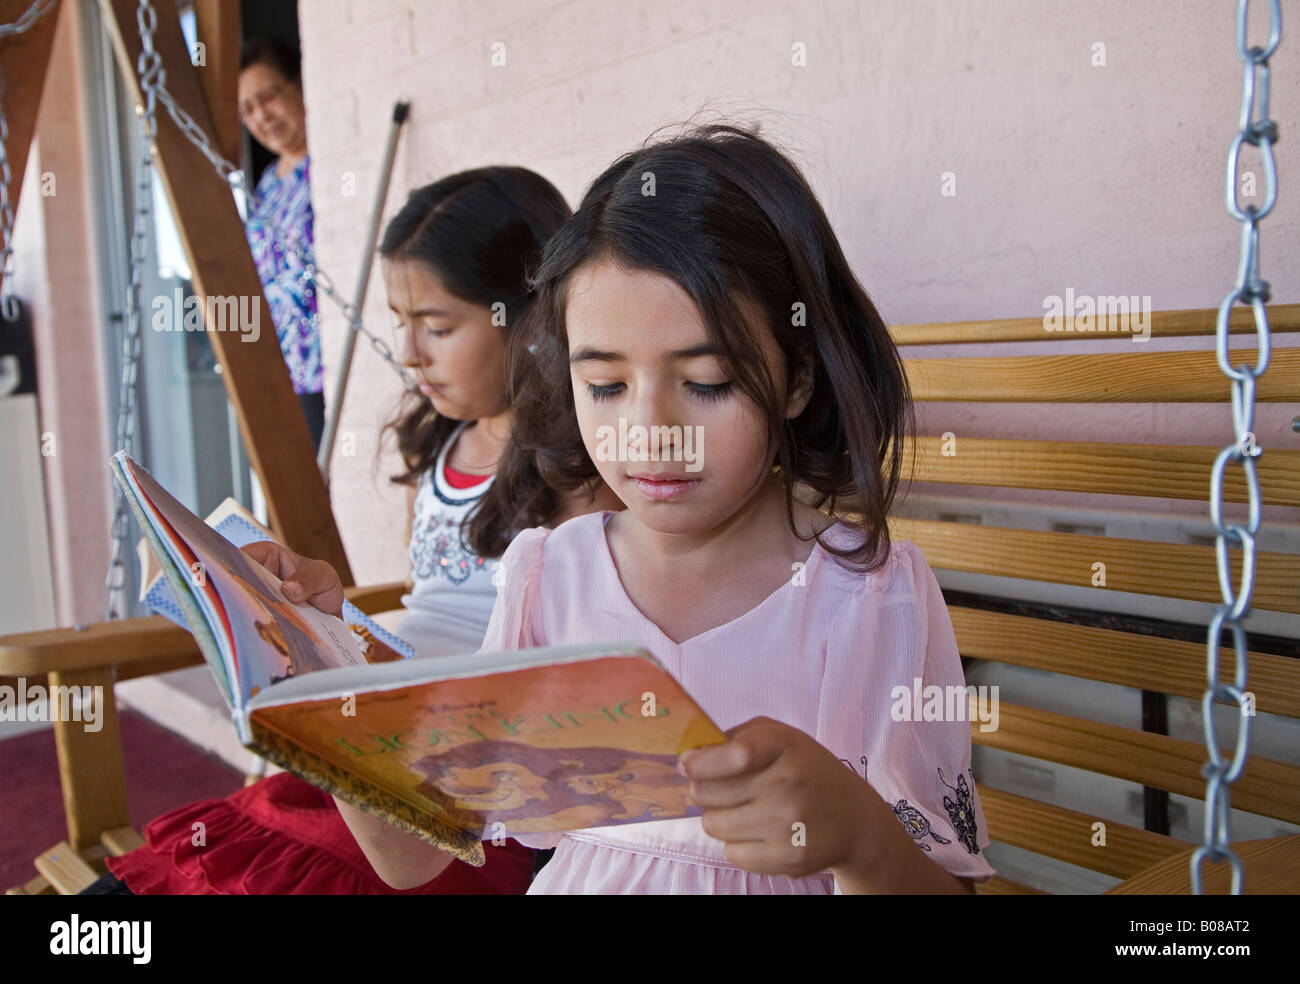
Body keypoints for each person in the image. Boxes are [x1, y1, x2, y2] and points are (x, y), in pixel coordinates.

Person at [331, 122, 999, 894]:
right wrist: (319, 661)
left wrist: (858, 836)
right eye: (606, 387)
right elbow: (413, 855)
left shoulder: (864, 594)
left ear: (798, 379)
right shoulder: (551, 576)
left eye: (708, 380)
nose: (651, 435)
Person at [85, 167, 618, 895]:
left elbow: (568, 688)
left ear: (527, 317)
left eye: (435, 325)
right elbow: (428, 606)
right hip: (369, 753)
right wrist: (325, 618)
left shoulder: (582, 479)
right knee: (178, 871)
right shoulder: (449, 448)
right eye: (401, 322)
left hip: (457, 803)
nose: (407, 350)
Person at [238, 37, 325, 450]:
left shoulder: (330, 165)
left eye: (267, 97)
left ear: (300, 83)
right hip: (281, 373)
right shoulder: (268, 184)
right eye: (247, 110)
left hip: (325, 367)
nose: (260, 117)